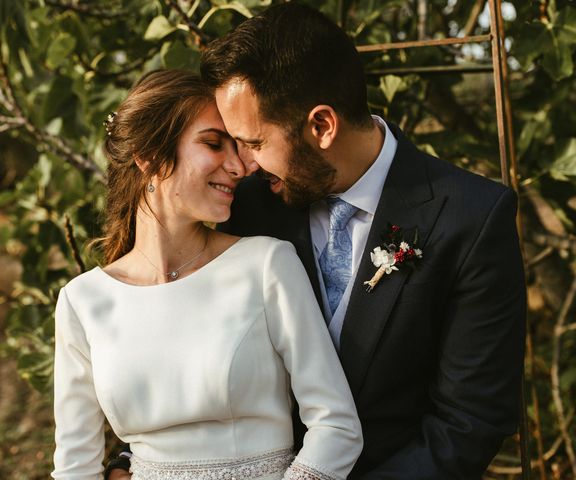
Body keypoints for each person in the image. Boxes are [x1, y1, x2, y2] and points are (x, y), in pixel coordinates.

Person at [105, 3, 527, 479]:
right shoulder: (242, 208)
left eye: (256, 143)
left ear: (322, 126)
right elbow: (168, 339)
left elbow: (468, 422)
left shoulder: (471, 218)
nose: (243, 165)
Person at [52, 68, 363, 480]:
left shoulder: (266, 264)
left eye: (238, 147)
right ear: (150, 157)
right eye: (214, 144)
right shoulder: (82, 301)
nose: (238, 166)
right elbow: (75, 467)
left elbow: (336, 425)